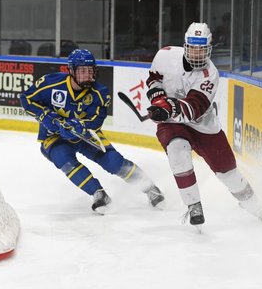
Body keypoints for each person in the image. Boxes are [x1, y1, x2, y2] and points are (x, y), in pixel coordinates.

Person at [144, 22, 262, 227]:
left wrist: (168, 106)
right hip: (172, 124)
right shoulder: (165, 55)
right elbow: (154, 80)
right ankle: (193, 205)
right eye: (193, 49)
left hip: (203, 125)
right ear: (185, 46)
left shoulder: (210, 75)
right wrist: (158, 98)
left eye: (202, 50)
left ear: (209, 50)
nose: (197, 54)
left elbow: (194, 108)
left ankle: (253, 204)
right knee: (177, 150)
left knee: (228, 171)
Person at [20, 49, 164, 214]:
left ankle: (150, 188)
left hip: (85, 135)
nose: (88, 75)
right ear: (71, 71)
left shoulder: (100, 93)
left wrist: (80, 126)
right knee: (64, 160)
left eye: (90, 71)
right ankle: (98, 194)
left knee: (114, 162)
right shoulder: (51, 83)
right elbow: (27, 98)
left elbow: (96, 121)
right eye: (82, 71)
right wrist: (46, 116)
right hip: (54, 136)